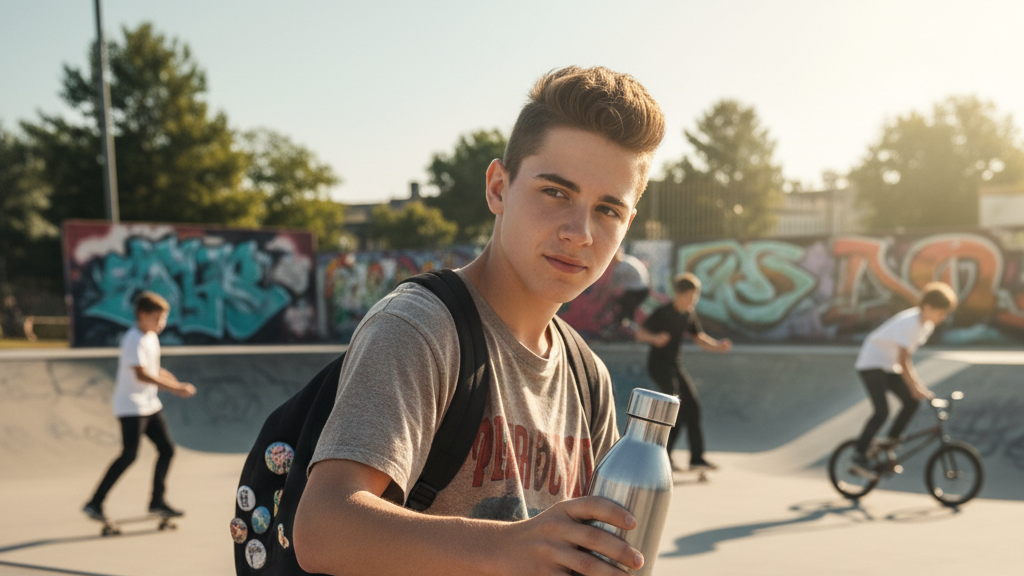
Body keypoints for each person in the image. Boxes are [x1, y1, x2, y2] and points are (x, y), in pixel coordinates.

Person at [294, 66, 666, 576]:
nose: (579, 232)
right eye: (555, 192)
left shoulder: (587, 378)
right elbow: (322, 529)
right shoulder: (421, 328)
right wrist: (509, 546)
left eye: (607, 210)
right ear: (498, 187)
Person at [83, 291, 196, 521]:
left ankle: (157, 501)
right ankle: (95, 502)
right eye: (157, 318)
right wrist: (174, 388)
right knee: (129, 455)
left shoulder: (151, 337)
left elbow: (151, 367)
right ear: (142, 315)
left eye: (163, 319)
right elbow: (141, 374)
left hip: (149, 405)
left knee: (167, 449)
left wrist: (167, 376)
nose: (161, 324)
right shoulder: (133, 338)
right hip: (131, 408)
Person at [850, 282, 958, 475]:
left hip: (889, 367)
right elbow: (903, 359)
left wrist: (916, 390)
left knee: (911, 402)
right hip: (871, 364)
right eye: (940, 312)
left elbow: (901, 362)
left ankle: (889, 444)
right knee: (882, 411)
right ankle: (858, 453)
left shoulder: (926, 326)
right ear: (927, 307)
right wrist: (917, 386)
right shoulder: (910, 323)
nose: (943, 317)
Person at [635, 272, 731, 472]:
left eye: (695, 298)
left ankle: (697, 458)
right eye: (690, 297)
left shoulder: (688, 314)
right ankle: (663, 458)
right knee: (674, 409)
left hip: (674, 365)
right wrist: (655, 339)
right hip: (658, 366)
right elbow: (640, 333)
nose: (693, 301)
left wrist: (718, 346)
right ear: (679, 294)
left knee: (693, 408)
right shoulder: (663, 313)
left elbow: (699, 337)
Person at [606, 245, 650, 338]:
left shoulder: (621, 266)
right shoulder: (628, 259)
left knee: (624, 311)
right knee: (628, 311)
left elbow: (615, 284)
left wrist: (606, 293)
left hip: (637, 290)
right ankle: (631, 329)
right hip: (641, 289)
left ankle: (618, 329)